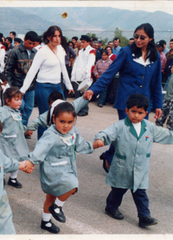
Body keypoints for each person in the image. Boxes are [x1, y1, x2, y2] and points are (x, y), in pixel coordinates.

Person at [84, 23, 163, 173]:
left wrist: (158, 105)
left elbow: (156, 82)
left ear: (151, 38)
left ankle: (110, 155)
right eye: (136, 37)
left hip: (144, 104)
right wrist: (93, 90)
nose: (138, 40)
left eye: (142, 37)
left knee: (135, 134)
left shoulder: (156, 56)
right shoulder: (127, 52)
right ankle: (121, 164)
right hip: (126, 102)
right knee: (126, 133)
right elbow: (109, 73)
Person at [94, 94, 173, 228]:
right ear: (127, 111)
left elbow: (166, 135)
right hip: (122, 168)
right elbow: (106, 133)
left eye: (140, 112)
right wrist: (100, 138)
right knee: (118, 191)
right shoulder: (119, 126)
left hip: (140, 168)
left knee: (141, 193)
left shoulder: (149, 127)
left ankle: (144, 216)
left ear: (146, 113)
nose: (136, 115)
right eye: (133, 111)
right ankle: (111, 208)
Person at [26, 101, 101, 233]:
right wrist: (31, 161)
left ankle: (47, 220)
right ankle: (55, 209)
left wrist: (92, 145)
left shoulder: (73, 131)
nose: (66, 126)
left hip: (67, 168)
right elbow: (40, 148)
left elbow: (80, 144)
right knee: (72, 185)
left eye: (70, 122)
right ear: (54, 118)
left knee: (53, 196)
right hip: (52, 169)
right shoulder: (51, 134)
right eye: (62, 121)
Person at [20, 26, 74, 138]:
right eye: (55, 36)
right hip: (43, 87)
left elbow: (64, 69)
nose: (57, 39)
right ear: (49, 37)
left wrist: (69, 86)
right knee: (45, 116)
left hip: (58, 87)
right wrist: (23, 90)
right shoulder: (42, 52)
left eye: (59, 36)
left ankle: (56, 142)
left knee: (60, 115)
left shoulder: (61, 50)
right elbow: (32, 71)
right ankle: (42, 144)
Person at [0, 87, 29, 188]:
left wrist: (25, 130)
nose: (20, 102)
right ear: (8, 101)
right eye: (17, 99)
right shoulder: (3, 111)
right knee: (5, 159)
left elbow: (18, 124)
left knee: (16, 159)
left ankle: (13, 178)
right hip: (6, 141)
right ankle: (1, 177)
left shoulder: (16, 111)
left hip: (17, 141)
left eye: (20, 99)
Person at [4, 31, 38, 126]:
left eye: (33, 44)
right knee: (19, 106)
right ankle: (15, 126)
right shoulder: (14, 51)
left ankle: (22, 128)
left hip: (30, 87)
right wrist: (10, 85)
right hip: (17, 85)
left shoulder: (36, 53)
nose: (31, 45)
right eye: (29, 43)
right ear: (24, 40)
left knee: (28, 108)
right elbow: (7, 69)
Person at [71, 35, 96, 116]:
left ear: (88, 43)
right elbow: (76, 63)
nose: (81, 44)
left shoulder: (92, 51)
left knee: (84, 94)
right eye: (81, 42)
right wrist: (73, 73)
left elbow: (90, 63)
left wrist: (85, 71)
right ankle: (78, 109)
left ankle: (85, 110)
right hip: (77, 74)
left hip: (85, 75)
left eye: (83, 42)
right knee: (78, 93)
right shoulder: (80, 51)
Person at [156, 66, 173, 130]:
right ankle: (158, 129)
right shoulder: (171, 76)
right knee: (161, 116)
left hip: (171, 100)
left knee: (171, 119)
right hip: (166, 99)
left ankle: (170, 133)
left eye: (172, 68)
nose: (171, 69)